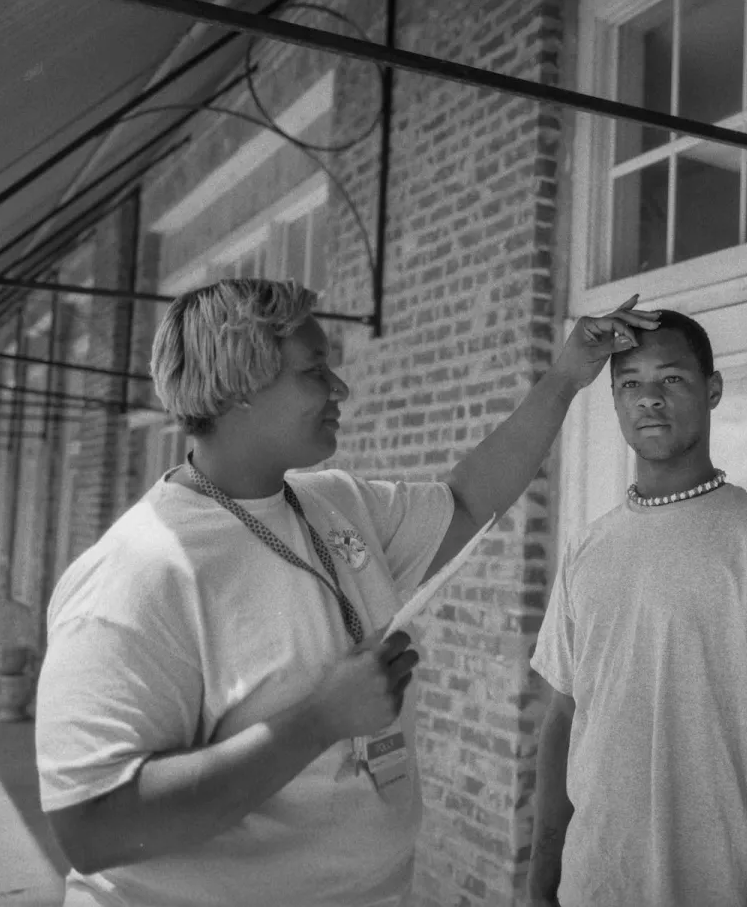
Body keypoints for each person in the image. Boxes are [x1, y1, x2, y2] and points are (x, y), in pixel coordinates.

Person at [35, 277, 659, 907]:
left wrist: (567, 376)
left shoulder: (334, 504)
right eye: (315, 370)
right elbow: (93, 827)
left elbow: (470, 499)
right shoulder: (137, 572)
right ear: (240, 390)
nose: (340, 388)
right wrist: (320, 720)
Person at [527, 310, 747, 907]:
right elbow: (563, 726)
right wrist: (542, 881)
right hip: (590, 886)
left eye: (671, 379)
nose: (649, 398)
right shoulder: (586, 549)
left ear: (713, 391)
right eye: (629, 383)